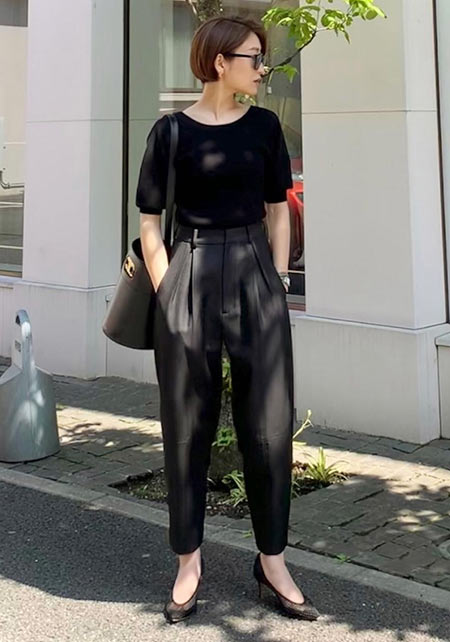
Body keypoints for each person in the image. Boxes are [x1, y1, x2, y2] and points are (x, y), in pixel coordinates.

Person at [136, 15, 320, 624]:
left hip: (254, 271)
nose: (262, 68)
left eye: (262, 57)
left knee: (269, 426)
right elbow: (150, 223)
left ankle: (272, 561)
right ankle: (188, 561)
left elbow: (278, 210)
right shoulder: (170, 132)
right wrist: (167, 292)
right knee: (185, 424)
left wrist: (277, 280)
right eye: (254, 57)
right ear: (220, 62)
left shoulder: (265, 128)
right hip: (188, 269)